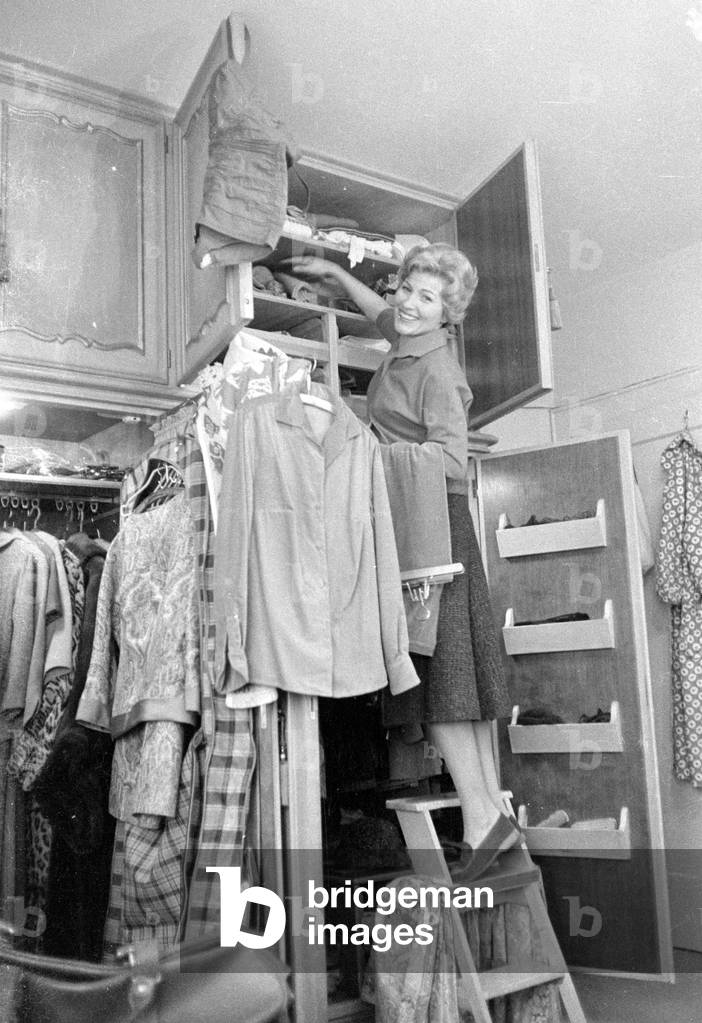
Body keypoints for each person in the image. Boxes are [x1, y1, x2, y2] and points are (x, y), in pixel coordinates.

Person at [288, 242, 519, 881]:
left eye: (428, 299)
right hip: (422, 525)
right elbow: (384, 317)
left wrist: (367, 453)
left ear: (450, 314)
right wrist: (338, 276)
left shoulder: (438, 371)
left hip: (432, 525)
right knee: (453, 678)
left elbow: (451, 460)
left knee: (440, 677)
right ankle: (487, 813)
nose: (408, 306)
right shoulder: (408, 338)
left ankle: (479, 817)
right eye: (407, 290)